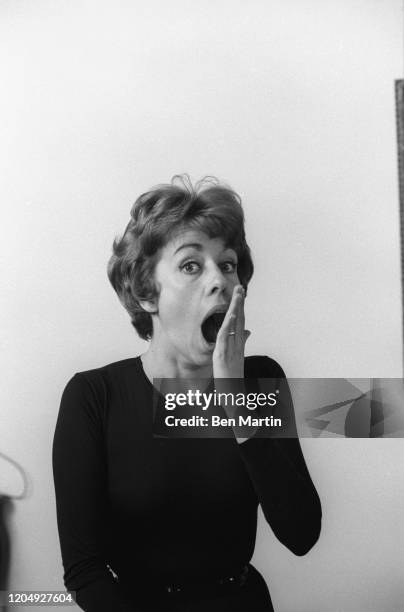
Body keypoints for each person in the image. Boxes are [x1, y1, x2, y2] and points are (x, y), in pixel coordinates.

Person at [52, 175, 322, 612]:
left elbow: (302, 534)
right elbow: (84, 571)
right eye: (191, 265)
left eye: (228, 264)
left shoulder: (262, 381)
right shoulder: (92, 396)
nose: (220, 281)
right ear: (145, 292)